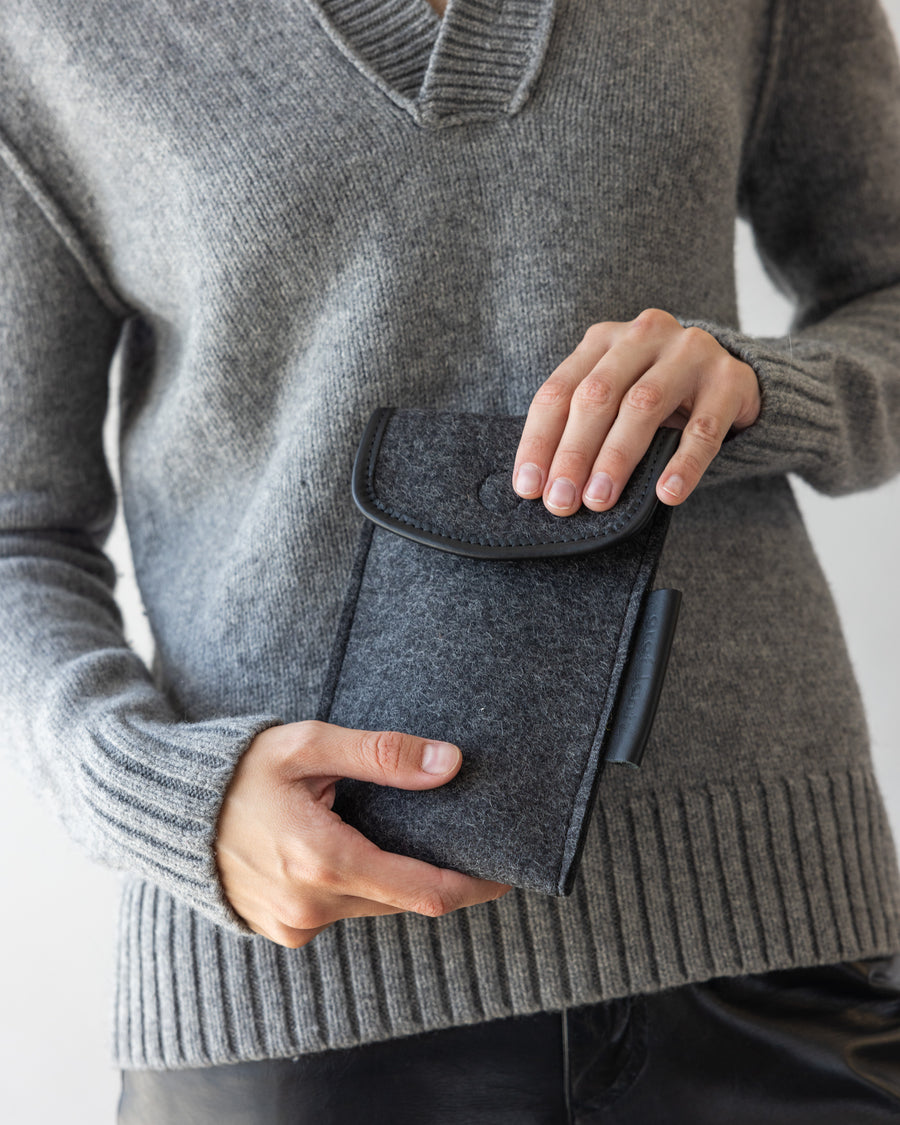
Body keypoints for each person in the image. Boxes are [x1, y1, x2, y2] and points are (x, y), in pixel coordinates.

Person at [2, 0, 900, 1120]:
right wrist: (164, 796)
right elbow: (14, 529)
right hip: (296, 995)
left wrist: (770, 390)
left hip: (771, 935)